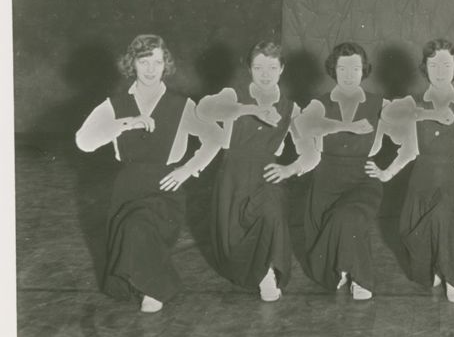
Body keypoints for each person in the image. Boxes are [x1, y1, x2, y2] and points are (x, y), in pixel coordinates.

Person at [75, 34, 221, 313]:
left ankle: (157, 288)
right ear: (133, 63)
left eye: (157, 61)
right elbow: (84, 141)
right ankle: (145, 282)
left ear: (166, 65)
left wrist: (188, 169)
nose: (151, 69)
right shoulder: (114, 105)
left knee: (138, 227)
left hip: (166, 187)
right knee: (130, 235)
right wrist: (126, 123)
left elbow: (215, 137)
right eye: (145, 61)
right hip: (127, 186)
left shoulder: (182, 105)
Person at [196, 42, 318, 303]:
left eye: (272, 67)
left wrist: (291, 168)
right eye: (258, 67)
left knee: (272, 214)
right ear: (249, 69)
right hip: (233, 176)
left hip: (267, 174)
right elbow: (203, 110)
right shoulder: (232, 95)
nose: (265, 74)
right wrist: (251, 109)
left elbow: (311, 153)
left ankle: (269, 274)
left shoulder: (290, 108)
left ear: (282, 69)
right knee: (233, 242)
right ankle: (253, 269)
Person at [294, 42, 417, 300]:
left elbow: (411, 140)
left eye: (355, 68)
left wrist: (388, 172)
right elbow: (304, 125)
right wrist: (344, 126)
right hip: (325, 181)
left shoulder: (379, 104)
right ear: (333, 70)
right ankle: (339, 268)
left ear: (364, 70)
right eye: (342, 68)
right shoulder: (320, 103)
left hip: (363, 179)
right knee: (320, 256)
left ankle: (360, 278)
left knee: (348, 217)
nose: (349, 74)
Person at [384, 39, 454, 303]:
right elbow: (389, 116)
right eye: (433, 63)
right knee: (416, 246)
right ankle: (433, 267)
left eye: (446, 64)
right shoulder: (412, 102)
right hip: (421, 183)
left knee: (442, 215)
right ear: (425, 67)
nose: (439, 69)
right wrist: (429, 115)